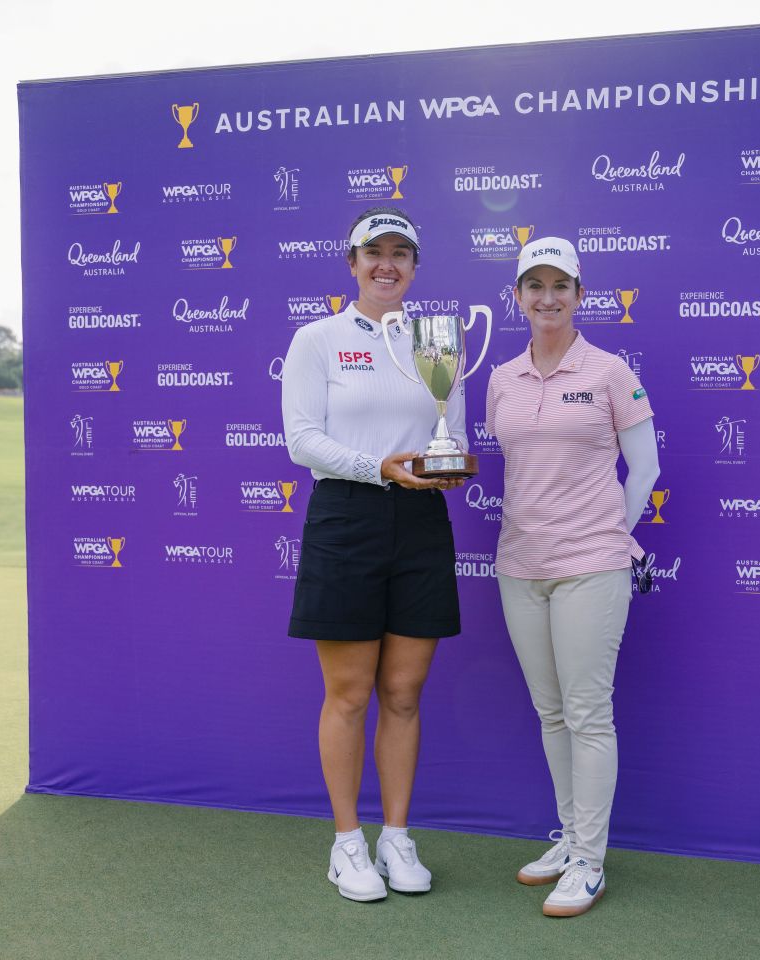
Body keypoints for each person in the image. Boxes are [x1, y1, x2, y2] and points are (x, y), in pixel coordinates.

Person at [280, 206, 465, 903]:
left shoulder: (436, 340)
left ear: (415, 266)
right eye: (374, 252)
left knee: (404, 693)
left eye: (400, 253)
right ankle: (347, 843)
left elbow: (454, 431)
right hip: (347, 517)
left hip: (421, 520)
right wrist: (376, 468)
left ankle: (396, 837)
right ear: (352, 263)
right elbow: (302, 440)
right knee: (350, 692)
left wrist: (446, 465)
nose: (387, 264)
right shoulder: (318, 339)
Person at [486, 237, 660, 917]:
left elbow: (645, 468)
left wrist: (612, 534)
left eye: (561, 285)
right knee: (551, 712)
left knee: (588, 714)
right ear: (518, 297)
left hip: (591, 566)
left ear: (580, 295)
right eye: (535, 285)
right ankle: (569, 839)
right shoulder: (502, 378)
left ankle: (589, 859)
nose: (548, 297)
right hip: (519, 565)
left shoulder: (611, 371)